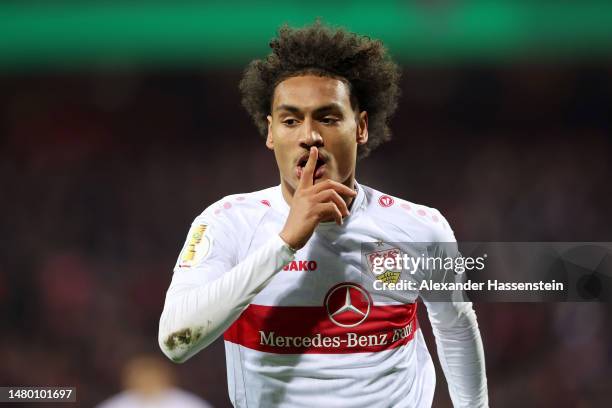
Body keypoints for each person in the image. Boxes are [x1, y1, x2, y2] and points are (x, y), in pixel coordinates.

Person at [158, 21, 488, 407]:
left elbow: (455, 329)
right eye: (291, 120)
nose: (309, 135)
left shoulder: (419, 227)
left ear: (360, 127)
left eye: (328, 118)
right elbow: (174, 342)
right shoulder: (228, 223)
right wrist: (285, 244)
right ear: (270, 133)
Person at [96, 354, 213, 408]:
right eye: (142, 375)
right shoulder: (116, 405)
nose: (147, 381)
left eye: (151, 376)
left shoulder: (188, 404)